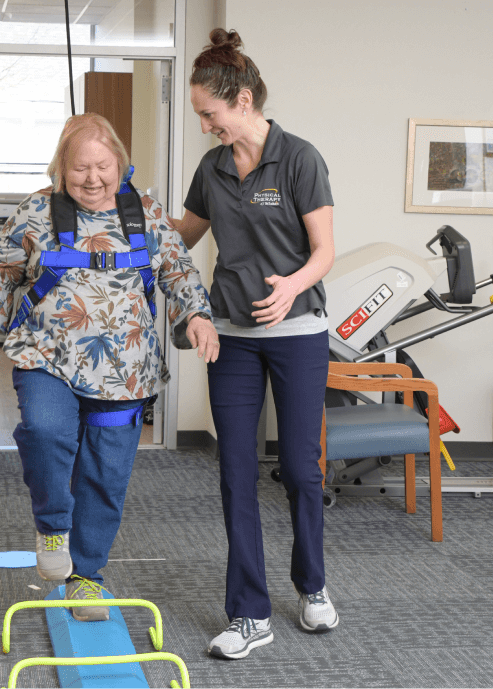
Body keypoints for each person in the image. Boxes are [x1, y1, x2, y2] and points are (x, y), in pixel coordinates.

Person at [0, 113, 218, 621]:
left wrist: (197, 316)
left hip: (125, 369)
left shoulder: (144, 212)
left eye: (102, 166)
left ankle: (86, 577)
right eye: (79, 167)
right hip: (47, 354)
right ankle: (53, 526)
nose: (92, 178)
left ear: (119, 163)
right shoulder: (37, 210)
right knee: (43, 431)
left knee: (106, 471)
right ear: (61, 167)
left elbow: (178, 270)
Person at [174, 29, 338, 659]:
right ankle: (249, 614)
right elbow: (182, 237)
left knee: (299, 467)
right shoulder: (212, 168)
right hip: (233, 340)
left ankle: (313, 586)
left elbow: (323, 252)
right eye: (199, 117)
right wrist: (127, 213)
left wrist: (292, 285)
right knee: (237, 472)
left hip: (297, 333)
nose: (206, 126)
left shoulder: (299, 158)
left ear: (242, 99)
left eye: (209, 114)